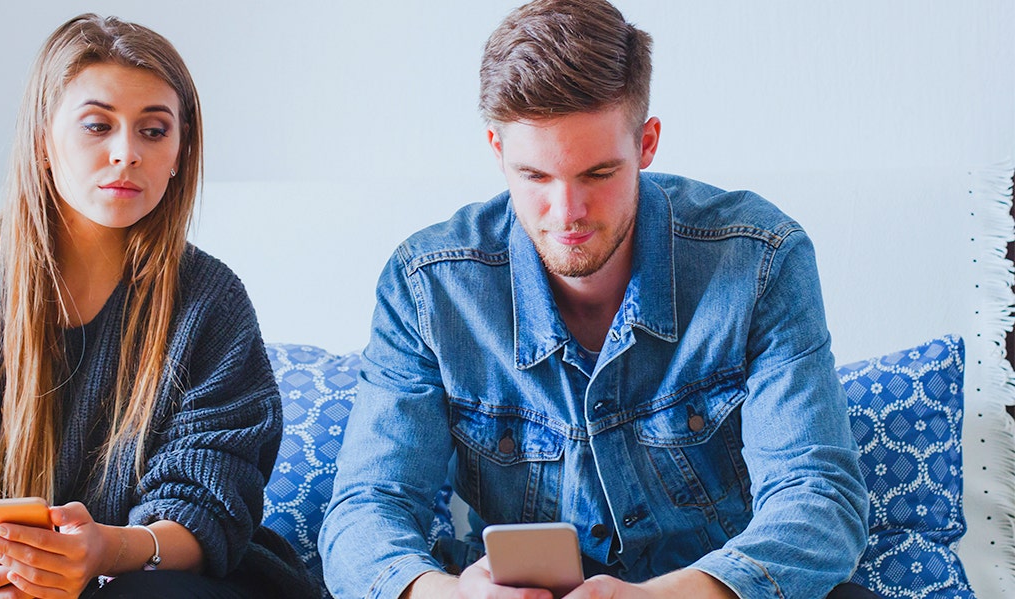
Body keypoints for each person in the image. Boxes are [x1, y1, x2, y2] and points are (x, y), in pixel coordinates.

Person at [319, 1, 873, 598]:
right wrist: (448, 594)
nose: (567, 214)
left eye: (598, 174)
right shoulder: (426, 287)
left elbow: (818, 498)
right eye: (535, 177)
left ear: (648, 143)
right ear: (496, 151)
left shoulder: (760, 260)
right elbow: (364, 512)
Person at [0, 14, 317, 599]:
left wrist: (108, 548)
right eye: (97, 126)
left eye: (154, 131)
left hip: (163, 576)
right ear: (43, 142)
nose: (126, 153)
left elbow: (213, 497)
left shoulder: (210, 299)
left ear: (179, 152)